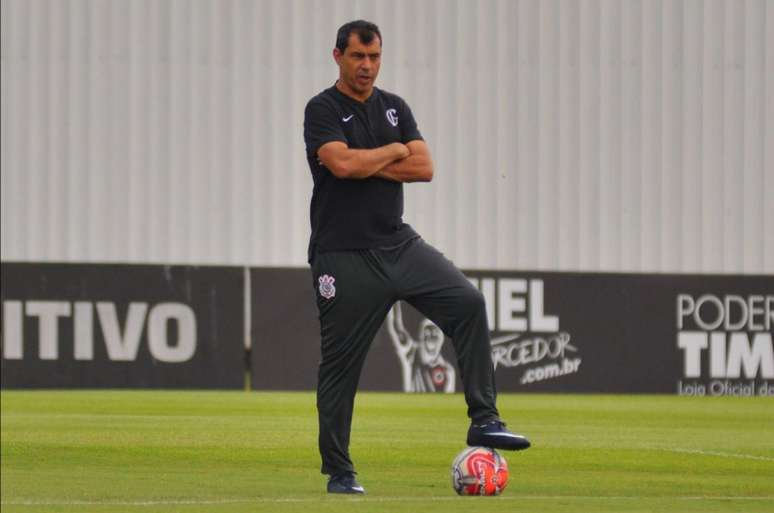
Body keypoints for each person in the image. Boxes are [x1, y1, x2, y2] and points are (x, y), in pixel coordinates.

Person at [303, 20, 530, 495]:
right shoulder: (322, 108)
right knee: (340, 370)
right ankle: (340, 472)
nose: (367, 66)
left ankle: (484, 419)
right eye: (358, 57)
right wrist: (390, 153)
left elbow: (424, 167)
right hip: (344, 256)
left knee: (469, 302)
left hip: (399, 245)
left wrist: (369, 160)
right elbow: (341, 165)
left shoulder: (394, 107)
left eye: (375, 57)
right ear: (338, 57)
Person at [386, 302, 455, 393]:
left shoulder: (447, 371)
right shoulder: (410, 353)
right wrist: (393, 299)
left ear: (442, 338)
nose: (431, 334)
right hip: (408, 406)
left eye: (435, 331)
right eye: (428, 330)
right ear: (420, 336)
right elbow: (396, 326)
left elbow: (448, 404)